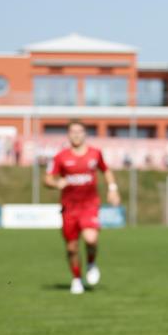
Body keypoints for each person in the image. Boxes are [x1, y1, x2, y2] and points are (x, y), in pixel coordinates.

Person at [44, 120, 120, 294]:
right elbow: (47, 179)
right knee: (71, 247)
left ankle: (91, 262)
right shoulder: (60, 157)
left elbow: (106, 170)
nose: (76, 135)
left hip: (89, 205)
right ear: (68, 134)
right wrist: (57, 183)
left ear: (85, 134)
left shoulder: (95, 154)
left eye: (79, 131)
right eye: (73, 131)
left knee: (91, 239)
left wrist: (113, 189)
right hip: (69, 207)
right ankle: (76, 279)